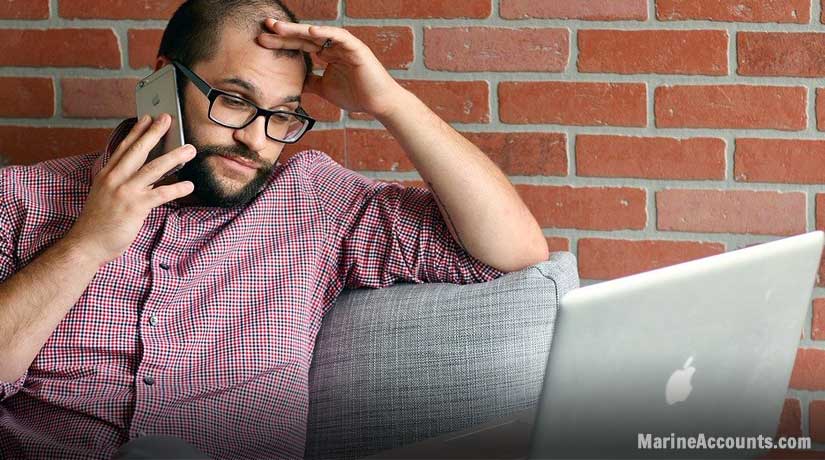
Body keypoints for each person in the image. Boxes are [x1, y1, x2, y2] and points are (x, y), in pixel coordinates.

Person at [0, 0, 549, 458]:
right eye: (235, 102)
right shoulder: (23, 197)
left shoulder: (314, 202)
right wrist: (87, 244)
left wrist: (389, 102)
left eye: (284, 115)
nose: (257, 141)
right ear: (163, 79)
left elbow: (513, 249)